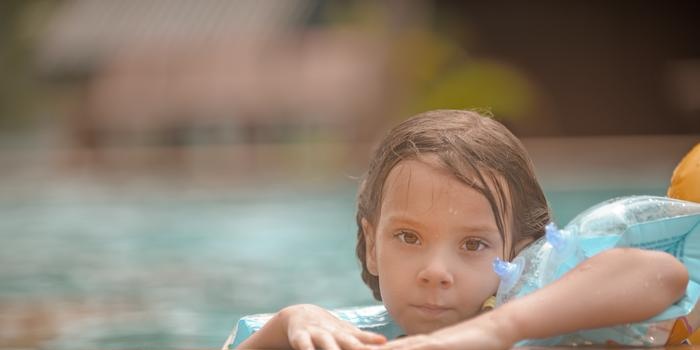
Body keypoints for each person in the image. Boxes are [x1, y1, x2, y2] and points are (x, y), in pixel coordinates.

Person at [237, 110, 688, 350]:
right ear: (372, 245)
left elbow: (664, 273)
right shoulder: (352, 338)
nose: (436, 272)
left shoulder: (548, 319)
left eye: (473, 245)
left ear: (519, 257)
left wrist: (495, 332)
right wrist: (287, 321)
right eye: (408, 237)